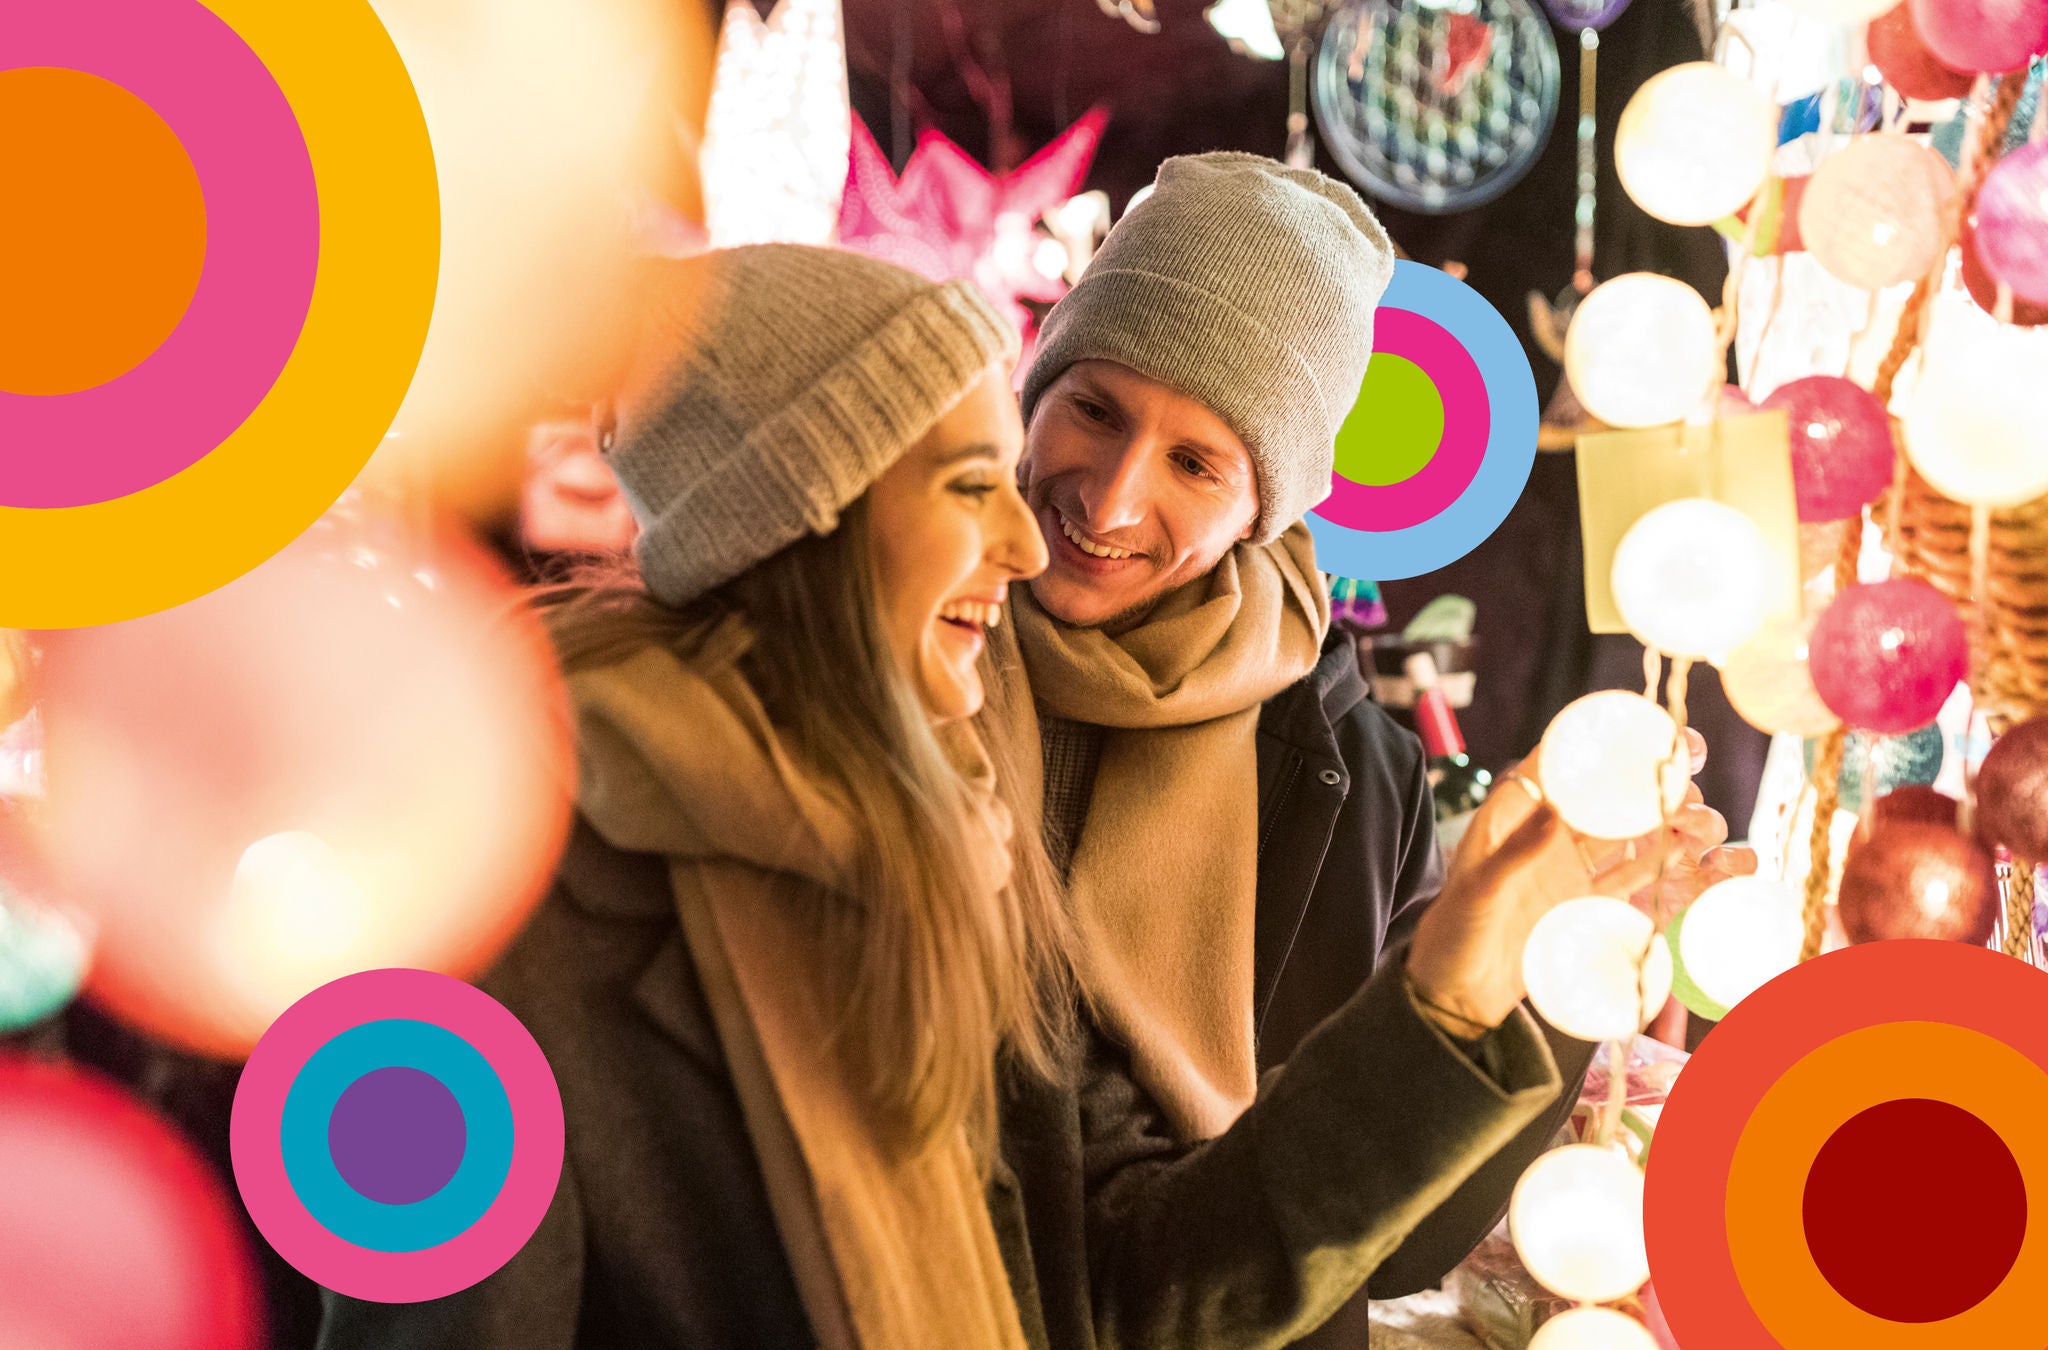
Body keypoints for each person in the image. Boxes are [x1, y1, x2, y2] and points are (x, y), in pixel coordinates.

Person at [316, 243, 1686, 1350]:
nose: (1041, 531)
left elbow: (1128, 1292)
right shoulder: (490, 912)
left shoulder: (953, 845)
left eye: (1201, 459)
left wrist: (1448, 992)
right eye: (978, 479)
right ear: (812, 518)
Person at [1002, 152, 1752, 1343]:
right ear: (1032, 391)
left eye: (1196, 462)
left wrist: (1532, 978)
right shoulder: (903, 661)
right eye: (1093, 408)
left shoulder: (1338, 766)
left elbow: (1404, 1239)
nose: (1107, 500)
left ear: (1267, 505)